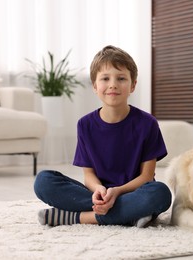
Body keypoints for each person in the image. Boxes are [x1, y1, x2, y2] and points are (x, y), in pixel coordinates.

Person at [34, 45, 172, 227]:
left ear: (133, 85)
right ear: (95, 86)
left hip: (134, 192)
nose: (113, 84)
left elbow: (146, 177)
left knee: (160, 193)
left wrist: (117, 192)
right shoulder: (85, 124)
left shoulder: (147, 123)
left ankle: (79, 218)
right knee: (43, 181)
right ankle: (129, 215)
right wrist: (99, 190)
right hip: (95, 194)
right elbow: (88, 175)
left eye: (121, 78)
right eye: (105, 78)